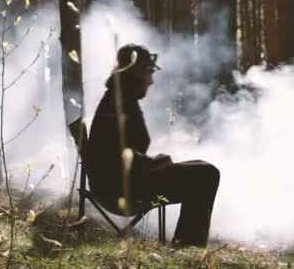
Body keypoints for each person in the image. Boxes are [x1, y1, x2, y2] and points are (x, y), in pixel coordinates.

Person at [85, 44, 220, 247]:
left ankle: (187, 243)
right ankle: (188, 246)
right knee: (207, 174)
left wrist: (151, 162)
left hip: (119, 181)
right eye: (149, 73)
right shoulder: (119, 103)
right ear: (136, 74)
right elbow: (115, 158)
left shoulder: (120, 98)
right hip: (119, 188)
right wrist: (152, 165)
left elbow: (121, 152)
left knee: (200, 166)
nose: (151, 81)